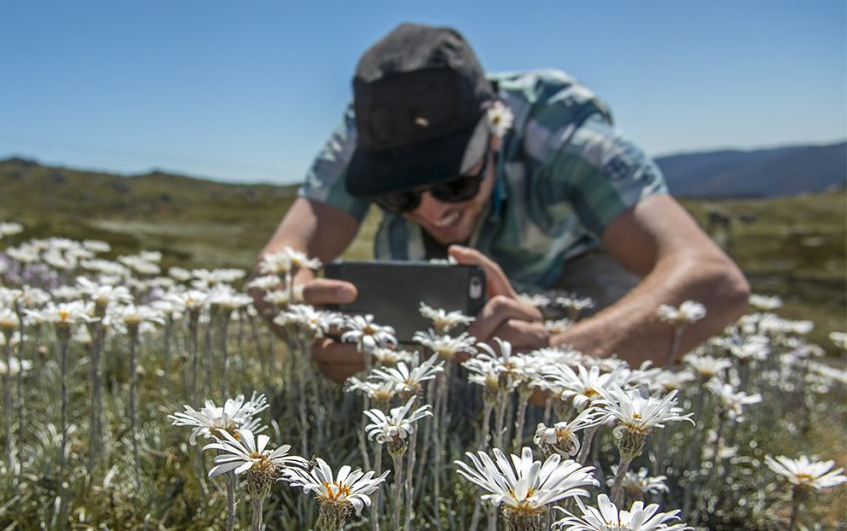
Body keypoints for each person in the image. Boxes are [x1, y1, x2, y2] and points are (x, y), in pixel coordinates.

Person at [256, 23, 750, 382]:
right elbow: (276, 268)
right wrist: (308, 323)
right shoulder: (364, 131)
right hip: (441, 299)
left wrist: (557, 363)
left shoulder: (558, 129)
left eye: (454, 183)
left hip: (569, 274)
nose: (431, 211)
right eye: (398, 192)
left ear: (496, 131)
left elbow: (712, 279)